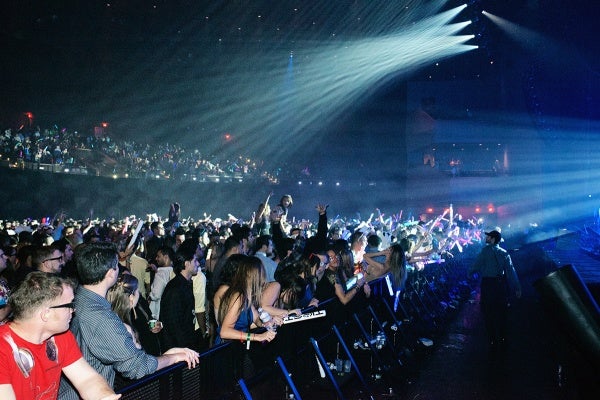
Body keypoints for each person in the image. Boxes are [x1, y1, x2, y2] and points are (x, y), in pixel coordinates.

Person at [58, 242, 199, 399]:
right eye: (117, 265)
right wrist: (173, 357)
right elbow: (137, 366)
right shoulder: (101, 317)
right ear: (111, 273)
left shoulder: (79, 298)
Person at [0, 272, 120, 400]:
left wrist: (104, 396)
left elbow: (87, 380)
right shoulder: (3, 349)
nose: (73, 310)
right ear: (46, 314)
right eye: (69, 305)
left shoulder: (59, 336)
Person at [469, 228, 522, 348]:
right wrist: (517, 287)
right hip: (500, 285)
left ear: (492, 239)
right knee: (502, 311)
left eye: (488, 236)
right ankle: (503, 337)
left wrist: (470, 273)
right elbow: (511, 271)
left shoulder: (485, 251)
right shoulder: (504, 253)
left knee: (488, 312)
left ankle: (492, 339)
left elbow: (476, 265)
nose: (486, 238)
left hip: (488, 284)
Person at [160, 240, 200, 350]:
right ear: (187, 264)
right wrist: (183, 349)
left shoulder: (184, 284)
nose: (198, 263)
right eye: (195, 261)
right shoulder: (175, 289)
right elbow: (174, 324)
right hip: (179, 348)